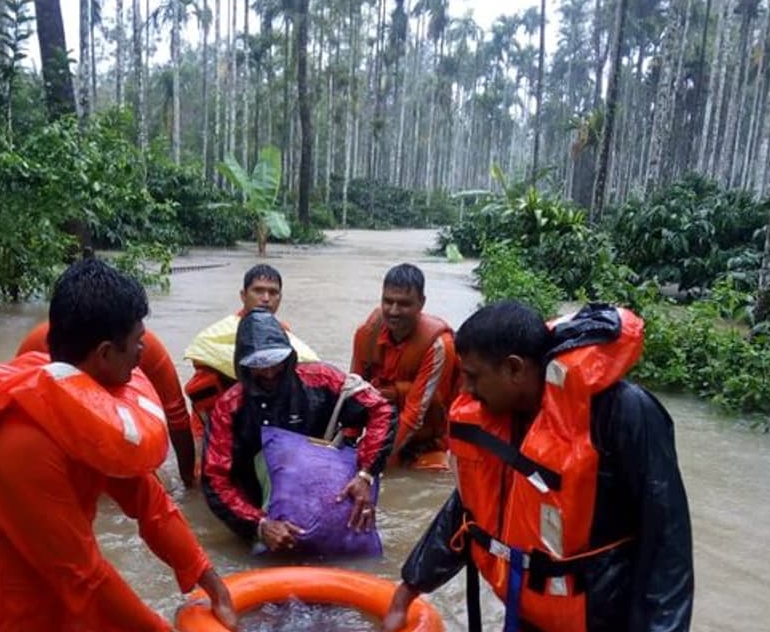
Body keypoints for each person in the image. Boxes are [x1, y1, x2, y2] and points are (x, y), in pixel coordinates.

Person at [0, 259, 237, 631]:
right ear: (104, 354)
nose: (143, 351)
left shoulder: (89, 412)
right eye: (136, 343)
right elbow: (85, 577)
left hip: (54, 605)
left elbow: (151, 505)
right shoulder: (21, 444)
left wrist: (213, 584)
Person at [381, 302, 693, 632]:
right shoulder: (496, 415)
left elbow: (667, 542)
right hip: (526, 611)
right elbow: (467, 509)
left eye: (473, 377)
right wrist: (408, 591)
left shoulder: (623, 413)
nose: (466, 390)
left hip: (601, 617)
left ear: (514, 369)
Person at [201, 308, 396, 552]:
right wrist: (259, 524)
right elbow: (215, 479)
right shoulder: (229, 408)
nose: (270, 372)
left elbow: (381, 410)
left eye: (276, 362)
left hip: (321, 496)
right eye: (259, 366)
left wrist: (365, 475)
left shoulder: (321, 380)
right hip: (261, 511)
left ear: (289, 357)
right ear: (243, 366)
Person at [17, 320, 197, 487]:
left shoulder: (144, 349)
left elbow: (177, 416)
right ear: (105, 352)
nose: (141, 348)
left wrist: (188, 481)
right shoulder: (37, 353)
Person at [183, 264, 318, 435]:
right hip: (213, 421)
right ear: (243, 295)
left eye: (273, 292)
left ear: (280, 298)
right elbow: (200, 389)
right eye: (258, 291)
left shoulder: (282, 332)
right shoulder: (219, 336)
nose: (266, 298)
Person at [351, 263, 459, 470]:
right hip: (383, 431)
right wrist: (348, 442)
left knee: (433, 474)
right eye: (388, 301)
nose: (394, 311)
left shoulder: (439, 346)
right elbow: (354, 391)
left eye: (404, 304)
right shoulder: (365, 334)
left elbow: (415, 414)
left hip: (428, 441)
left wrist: (374, 464)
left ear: (421, 303)